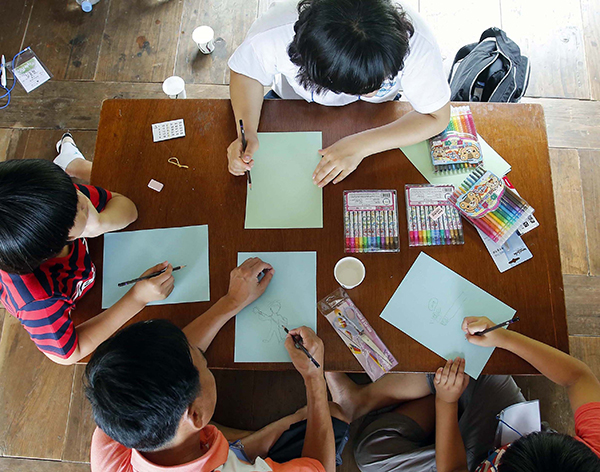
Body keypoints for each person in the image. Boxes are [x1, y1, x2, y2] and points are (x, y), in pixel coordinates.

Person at [86, 257, 350, 472]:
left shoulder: (115, 422)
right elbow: (318, 467)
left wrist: (232, 300)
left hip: (205, 446)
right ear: (197, 415)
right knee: (333, 415)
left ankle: (238, 441)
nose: (201, 356)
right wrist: (314, 377)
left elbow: (163, 364)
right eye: (204, 364)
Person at [326, 316, 600, 472]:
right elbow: (579, 376)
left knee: (369, 456)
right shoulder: (592, 459)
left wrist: (446, 401)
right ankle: (360, 401)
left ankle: (445, 396)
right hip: (511, 423)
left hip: (467, 465)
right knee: (469, 361)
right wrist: (504, 338)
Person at [227, 0, 450, 187]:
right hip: (294, 104)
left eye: (379, 82)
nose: (373, 91)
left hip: (377, 114)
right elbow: (247, 74)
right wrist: (247, 130)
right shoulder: (273, 33)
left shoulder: (418, 44)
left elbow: (436, 117)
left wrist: (361, 145)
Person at [0, 148, 174, 364]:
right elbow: (68, 355)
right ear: (57, 242)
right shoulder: (38, 301)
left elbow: (126, 206)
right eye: (78, 210)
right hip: (70, 302)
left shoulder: (60, 201)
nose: (81, 197)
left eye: (72, 190)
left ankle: (73, 163)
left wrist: (99, 223)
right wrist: (138, 298)